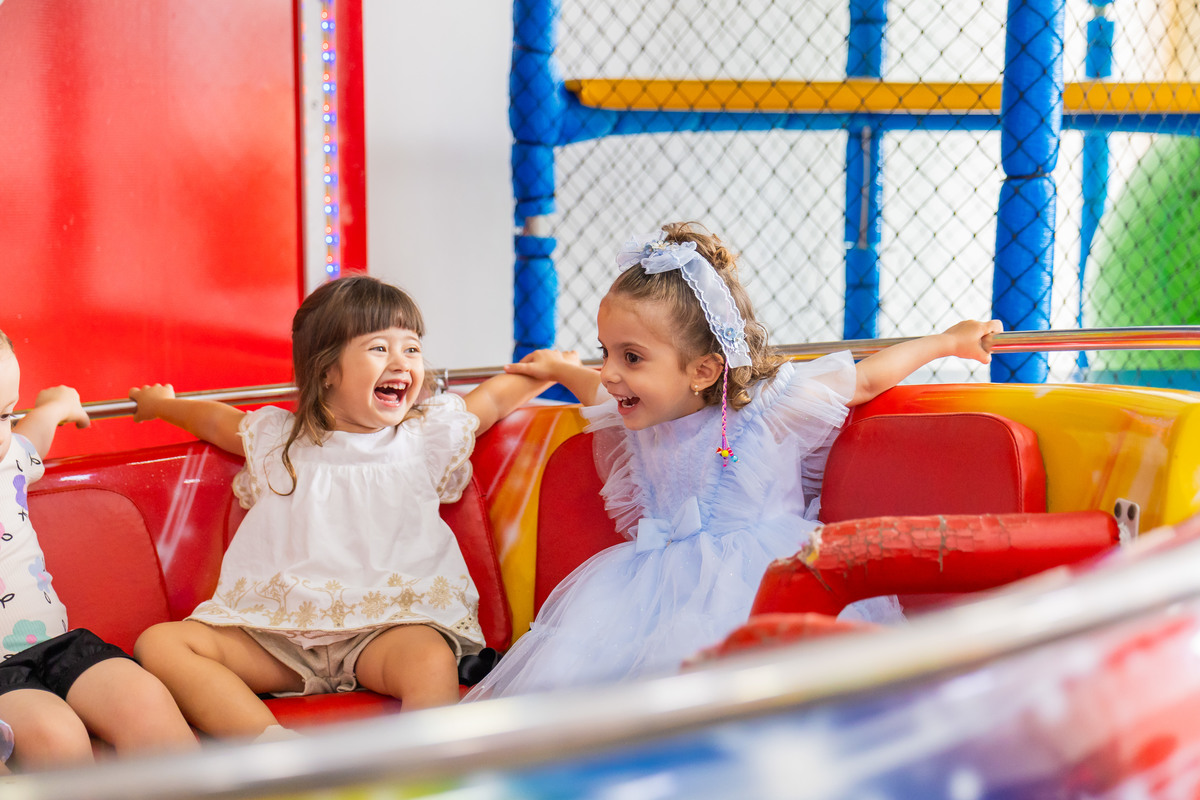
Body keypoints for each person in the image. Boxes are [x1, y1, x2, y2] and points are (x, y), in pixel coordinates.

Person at [465, 222, 1001, 699]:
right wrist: (561, 369)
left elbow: (863, 380)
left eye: (631, 357)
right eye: (605, 351)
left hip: (756, 582)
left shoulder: (766, 410)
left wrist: (946, 342)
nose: (608, 372)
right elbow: (595, 391)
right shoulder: (639, 417)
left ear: (703, 370)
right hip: (644, 590)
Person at [130, 276, 560, 741]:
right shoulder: (280, 440)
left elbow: (489, 401)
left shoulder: (423, 439)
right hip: (279, 635)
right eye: (379, 348)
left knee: (431, 660)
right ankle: (274, 748)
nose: (402, 362)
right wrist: (164, 405)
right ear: (326, 371)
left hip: (384, 631)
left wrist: (550, 371)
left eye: (412, 349)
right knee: (161, 644)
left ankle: (424, 768)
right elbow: (217, 421)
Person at [0, 331, 197, 769]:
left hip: (57, 645)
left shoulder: (9, 456)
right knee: (55, 737)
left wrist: (57, 405)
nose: (1, 434)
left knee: (143, 699)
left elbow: (33, 435)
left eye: (5, 414)